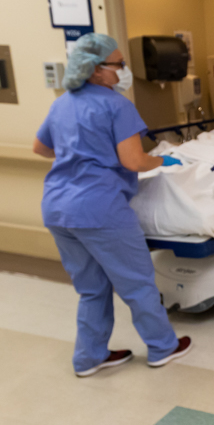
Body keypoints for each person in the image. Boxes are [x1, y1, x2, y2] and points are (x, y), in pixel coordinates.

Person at [33, 33, 192, 377]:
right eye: (117, 64)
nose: (122, 70)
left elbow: (41, 149)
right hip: (99, 209)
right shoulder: (116, 105)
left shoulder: (62, 103)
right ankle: (163, 347)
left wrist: (79, 153)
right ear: (94, 70)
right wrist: (163, 162)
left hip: (58, 209)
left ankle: (89, 358)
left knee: (91, 289)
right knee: (137, 282)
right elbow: (134, 161)